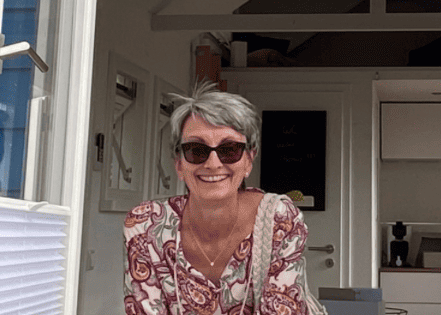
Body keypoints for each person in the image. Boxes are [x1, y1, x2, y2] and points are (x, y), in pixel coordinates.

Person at [124, 80, 326, 315]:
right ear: (179, 163)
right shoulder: (145, 226)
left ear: (249, 160)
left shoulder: (278, 220)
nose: (213, 164)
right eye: (196, 150)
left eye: (229, 149)